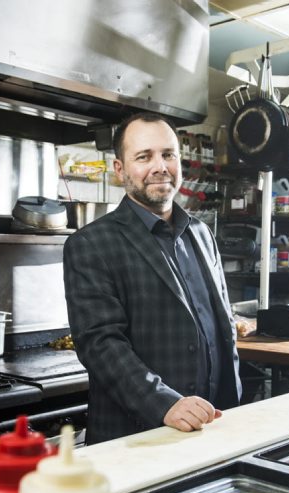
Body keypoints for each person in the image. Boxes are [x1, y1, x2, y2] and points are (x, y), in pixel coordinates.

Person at [63, 112, 241, 445]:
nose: (160, 166)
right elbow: (101, 345)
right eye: (144, 157)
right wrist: (165, 404)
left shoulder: (201, 234)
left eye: (168, 154)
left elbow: (221, 328)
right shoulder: (90, 244)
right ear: (120, 170)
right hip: (135, 437)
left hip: (212, 429)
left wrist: (233, 407)